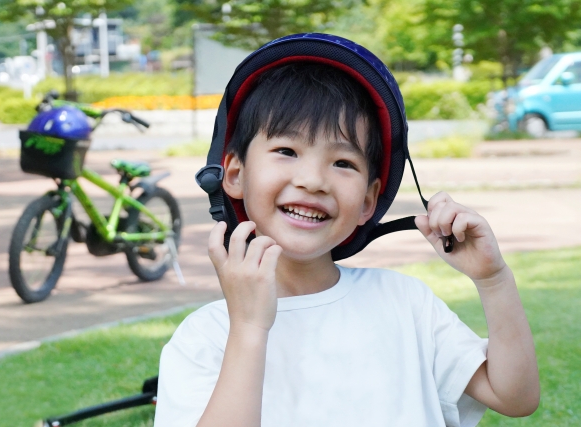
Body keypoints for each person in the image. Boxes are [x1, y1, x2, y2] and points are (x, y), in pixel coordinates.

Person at [154, 34, 539, 427]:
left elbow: (515, 396)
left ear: (369, 202)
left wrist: (493, 280)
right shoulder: (205, 337)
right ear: (234, 175)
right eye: (287, 151)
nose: (313, 180)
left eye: (343, 162)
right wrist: (250, 327)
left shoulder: (406, 303)